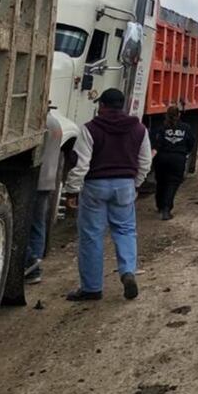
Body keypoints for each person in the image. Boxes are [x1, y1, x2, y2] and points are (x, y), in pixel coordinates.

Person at [64, 88, 152, 302]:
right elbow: (145, 162)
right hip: (125, 186)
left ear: (101, 105)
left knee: (91, 236)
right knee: (126, 230)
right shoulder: (139, 129)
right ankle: (127, 272)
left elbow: (81, 163)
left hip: (95, 187)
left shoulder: (90, 129)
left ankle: (92, 288)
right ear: (121, 105)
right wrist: (136, 184)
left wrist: (72, 190)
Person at [150, 105, 196, 221]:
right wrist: (185, 152)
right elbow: (191, 142)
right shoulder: (186, 127)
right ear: (179, 115)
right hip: (178, 158)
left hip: (161, 158)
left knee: (161, 182)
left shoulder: (161, 128)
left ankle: (160, 205)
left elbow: (155, 142)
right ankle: (166, 209)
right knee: (173, 183)